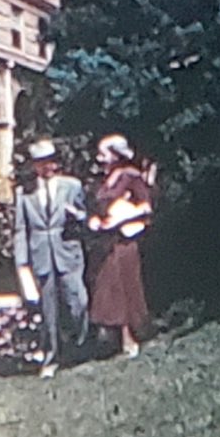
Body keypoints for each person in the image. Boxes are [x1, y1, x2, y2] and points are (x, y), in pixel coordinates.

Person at [13, 138, 90, 379]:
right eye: (40, 163)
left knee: (78, 301)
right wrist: (22, 264)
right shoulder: (24, 193)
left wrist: (76, 214)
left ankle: (81, 347)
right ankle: (51, 357)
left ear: (56, 162)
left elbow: (86, 218)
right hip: (41, 256)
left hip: (67, 251)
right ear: (34, 165)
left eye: (49, 162)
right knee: (49, 312)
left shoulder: (72, 186)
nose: (46, 167)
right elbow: (20, 230)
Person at [87, 134, 155, 358]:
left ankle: (131, 337)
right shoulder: (106, 181)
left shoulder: (131, 177)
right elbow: (99, 208)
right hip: (108, 241)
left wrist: (122, 218)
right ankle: (113, 339)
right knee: (109, 288)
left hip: (125, 241)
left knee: (125, 286)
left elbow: (146, 207)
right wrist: (96, 220)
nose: (99, 158)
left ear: (115, 155)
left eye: (103, 154)